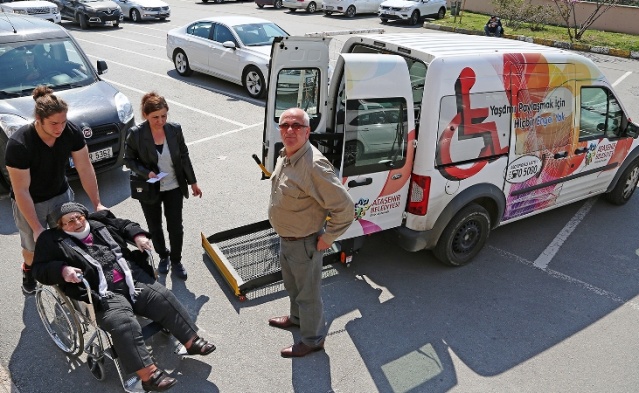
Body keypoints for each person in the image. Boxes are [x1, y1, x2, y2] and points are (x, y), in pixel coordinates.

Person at [32, 202, 216, 392]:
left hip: (132, 278)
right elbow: (39, 269)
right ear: (60, 226)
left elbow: (126, 225)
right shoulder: (51, 241)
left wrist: (138, 236)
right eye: (70, 221)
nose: (78, 222)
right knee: (123, 323)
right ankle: (149, 376)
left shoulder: (99, 222)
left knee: (162, 296)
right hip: (101, 293)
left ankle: (191, 342)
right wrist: (63, 270)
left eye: (79, 217)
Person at [267, 108, 354, 358]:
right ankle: (296, 319)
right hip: (286, 239)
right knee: (293, 286)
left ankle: (313, 339)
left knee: (309, 294)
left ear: (308, 131)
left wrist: (328, 238)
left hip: (304, 243)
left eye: (297, 126)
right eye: (285, 125)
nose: (290, 130)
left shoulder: (314, 165)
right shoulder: (286, 154)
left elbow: (345, 208)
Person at [5, 85, 105, 295]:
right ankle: (28, 270)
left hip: (60, 193)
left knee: (68, 239)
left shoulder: (70, 132)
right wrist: (36, 227)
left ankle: (68, 277)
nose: (59, 128)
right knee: (33, 248)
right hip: (30, 200)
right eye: (53, 124)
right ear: (38, 119)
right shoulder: (19, 144)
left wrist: (97, 203)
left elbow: (85, 167)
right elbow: (21, 190)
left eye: (63, 122)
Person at [124, 92, 202, 281]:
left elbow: (183, 155)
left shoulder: (174, 129)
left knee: (176, 227)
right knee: (154, 226)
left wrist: (193, 182)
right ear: (145, 115)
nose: (160, 121)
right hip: (150, 187)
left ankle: (176, 260)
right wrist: (146, 172)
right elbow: (128, 160)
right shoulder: (136, 134)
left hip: (174, 186)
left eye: (164, 116)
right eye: (155, 117)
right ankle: (163, 256)